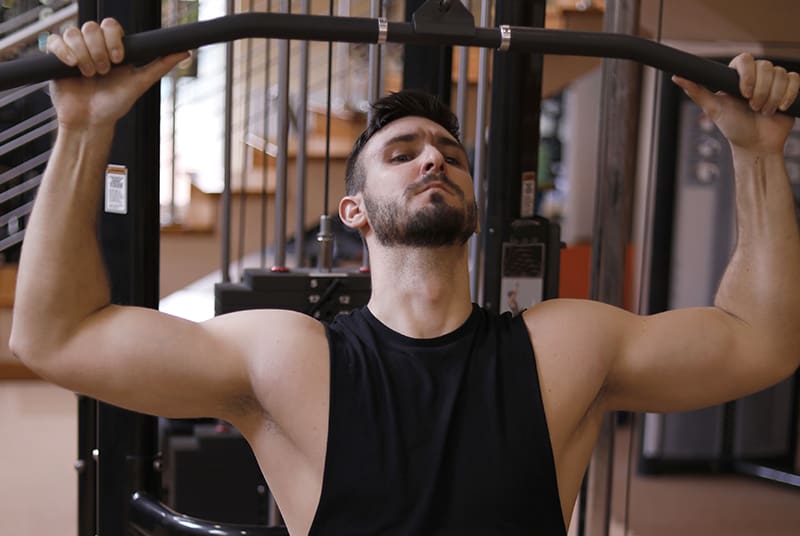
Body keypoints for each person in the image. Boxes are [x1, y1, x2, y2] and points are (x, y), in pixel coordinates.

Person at [9, 18, 800, 536]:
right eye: (403, 152)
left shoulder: (565, 346)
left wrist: (759, 156)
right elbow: (55, 337)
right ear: (353, 211)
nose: (433, 157)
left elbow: (758, 343)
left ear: (476, 209)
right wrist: (83, 129)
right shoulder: (292, 359)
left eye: (451, 155)